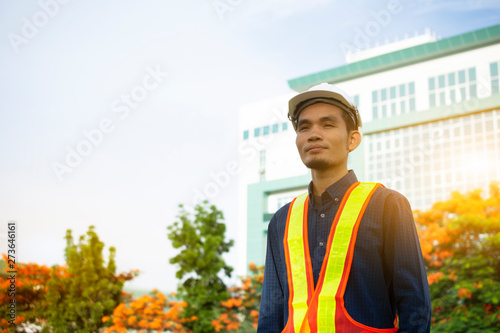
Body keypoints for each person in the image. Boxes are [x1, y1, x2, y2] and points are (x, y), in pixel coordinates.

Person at [257, 83, 431, 332]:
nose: (313, 134)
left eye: (328, 124)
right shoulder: (281, 220)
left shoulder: (387, 205)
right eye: (304, 127)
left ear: (352, 139)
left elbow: (415, 304)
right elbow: (270, 315)